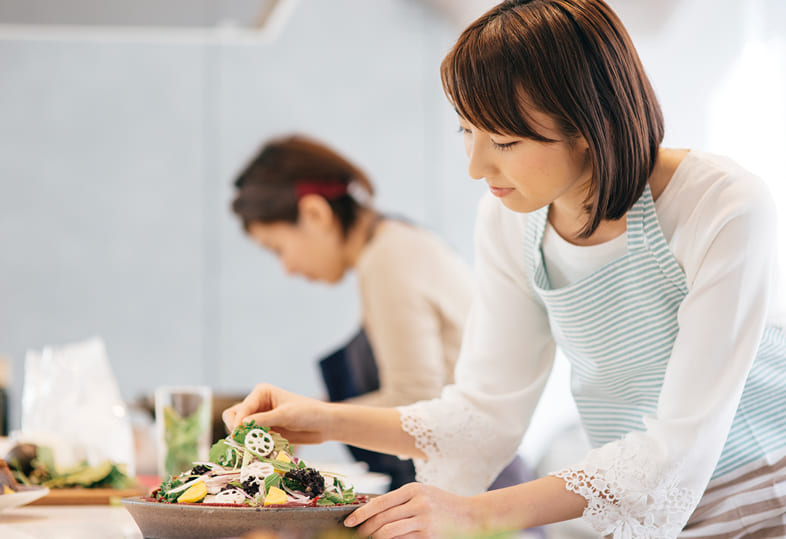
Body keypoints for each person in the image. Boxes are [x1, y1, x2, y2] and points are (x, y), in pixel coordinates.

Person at [224, 1, 786, 537]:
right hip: (663, 505)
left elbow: (679, 445)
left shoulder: (722, 205)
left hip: (769, 488)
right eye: (466, 131)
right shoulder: (510, 219)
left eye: (505, 140)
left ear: (592, 125)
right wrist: (324, 421)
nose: (475, 166)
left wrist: (470, 514)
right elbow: (484, 412)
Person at [231, 134, 533, 492]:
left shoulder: (390, 257)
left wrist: (313, 415)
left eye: (278, 248)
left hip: (478, 493)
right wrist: (302, 415)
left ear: (314, 213)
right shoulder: (390, 247)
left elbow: (415, 399)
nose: (287, 268)